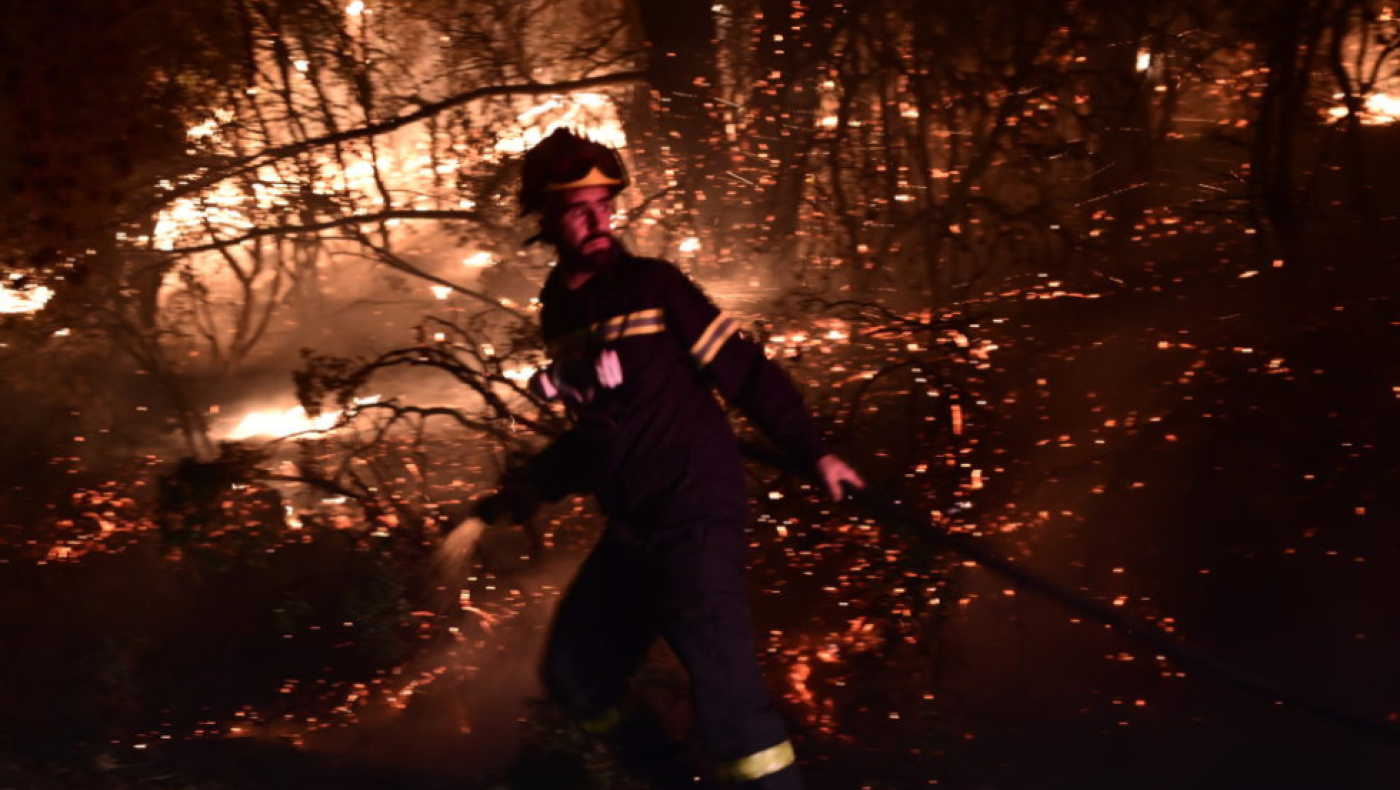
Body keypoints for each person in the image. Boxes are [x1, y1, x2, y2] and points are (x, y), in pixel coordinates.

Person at [476, 128, 863, 789]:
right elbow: (603, 432)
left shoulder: (656, 286)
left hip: (695, 516)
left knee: (732, 708)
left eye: (604, 204)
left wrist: (814, 452)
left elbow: (743, 372)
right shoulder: (560, 311)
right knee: (578, 669)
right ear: (544, 218)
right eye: (578, 209)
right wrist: (535, 486)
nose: (599, 220)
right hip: (634, 529)